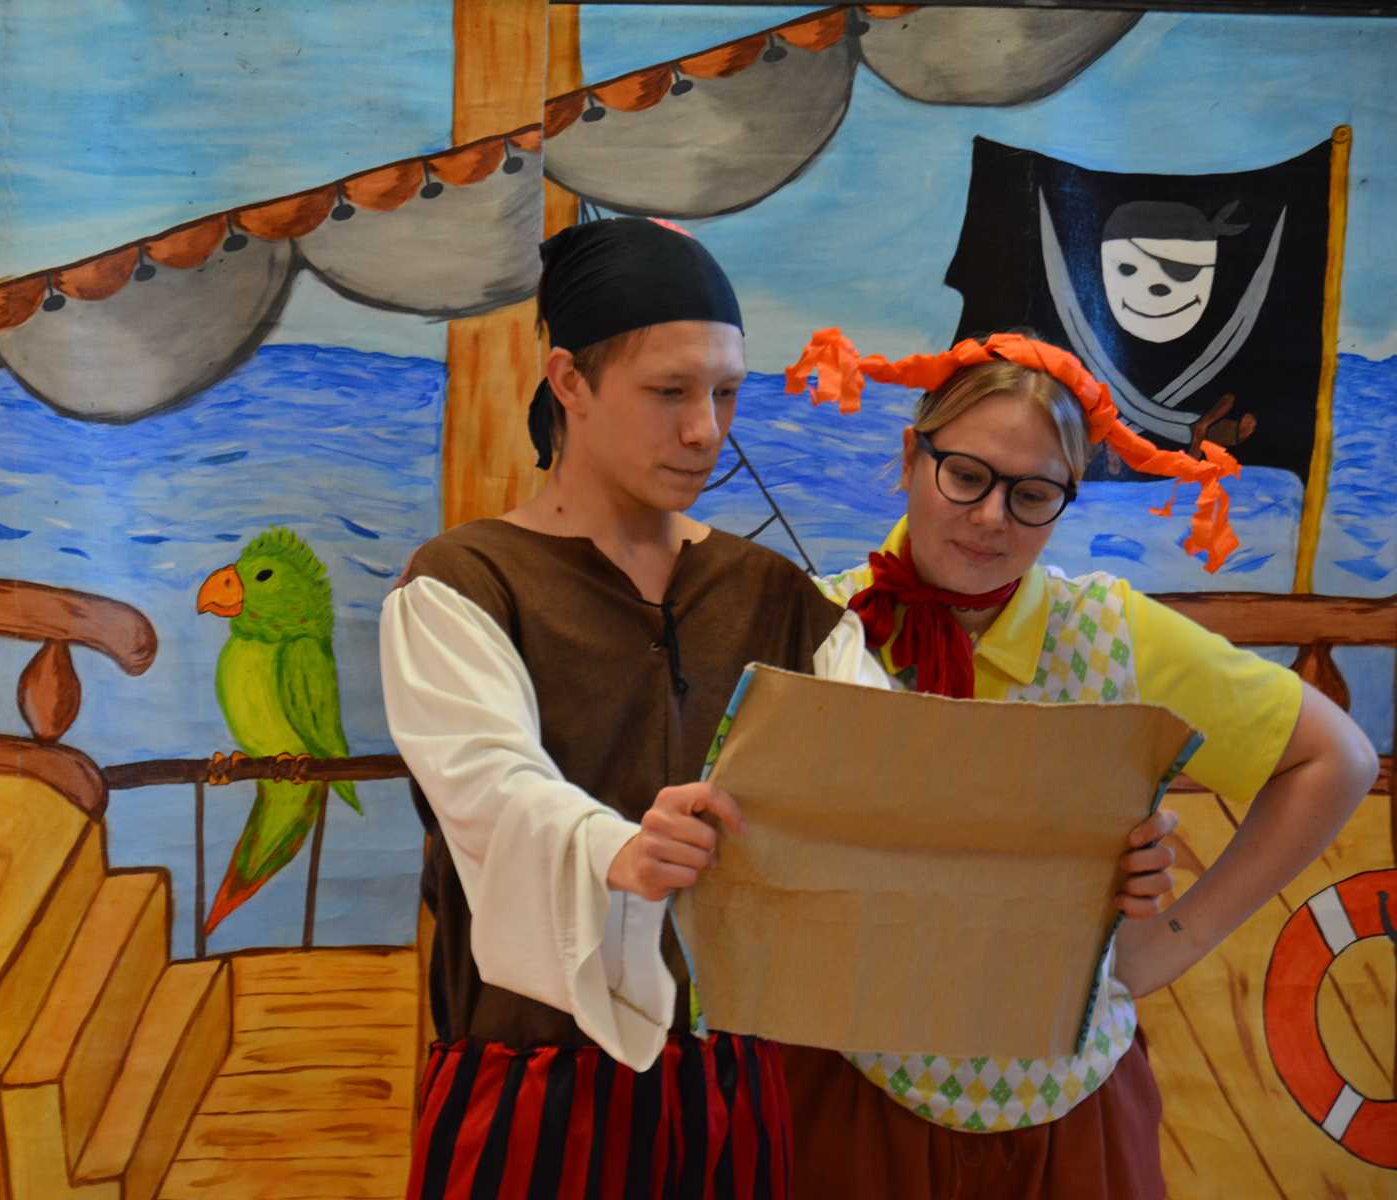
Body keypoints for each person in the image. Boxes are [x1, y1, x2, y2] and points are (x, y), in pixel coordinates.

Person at [780, 328, 1379, 1198]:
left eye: (1032, 494)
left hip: (1067, 1113)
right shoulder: (814, 624)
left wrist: (1172, 942)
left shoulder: (1107, 633)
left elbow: (1335, 757)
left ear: (1068, 498)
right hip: (855, 1096)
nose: (992, 517)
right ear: (911, 458)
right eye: (967, 476)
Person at [379, 218, 883, 1198]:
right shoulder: (463, 585)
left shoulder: (778, 598)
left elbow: (897, 772)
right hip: (530, 1097)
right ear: (569, 381)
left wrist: (1082, 845)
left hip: (732, 1093)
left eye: (726, 393)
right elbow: (487, 784)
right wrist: (620, 851)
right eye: (670, 392)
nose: (706, 430)